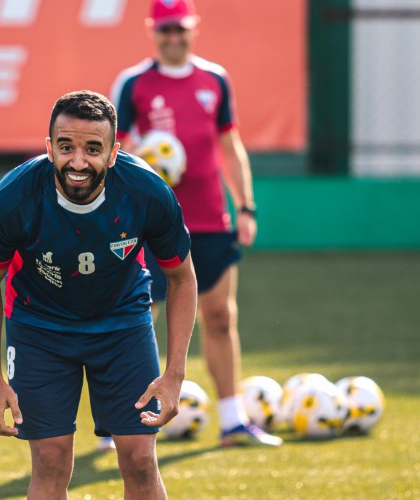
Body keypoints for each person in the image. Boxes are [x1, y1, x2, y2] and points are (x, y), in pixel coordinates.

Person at [0, 90, 198, 499]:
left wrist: (175, 374)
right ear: (49, 148)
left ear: (113, 153)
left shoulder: (147, 192)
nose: (78, 161)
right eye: (66, 147)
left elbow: (182, 278)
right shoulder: (13, 198)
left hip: (123, 326)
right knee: (51, 461)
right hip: (38, 328)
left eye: (93, 149)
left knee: (140, 461)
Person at [106, 0, 283, 449]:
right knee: (138, 321)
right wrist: (149, 155)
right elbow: (113, 150)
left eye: (180, 28)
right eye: (165, 29)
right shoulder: (134, 83)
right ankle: (120, 423)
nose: (173, 37)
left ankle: (232, 421)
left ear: (193, 28)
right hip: (150, 224)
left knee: (221, 317)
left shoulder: (214, 80)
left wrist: (246, 206)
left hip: (209, 219)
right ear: (153, 31)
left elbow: (230, 145)